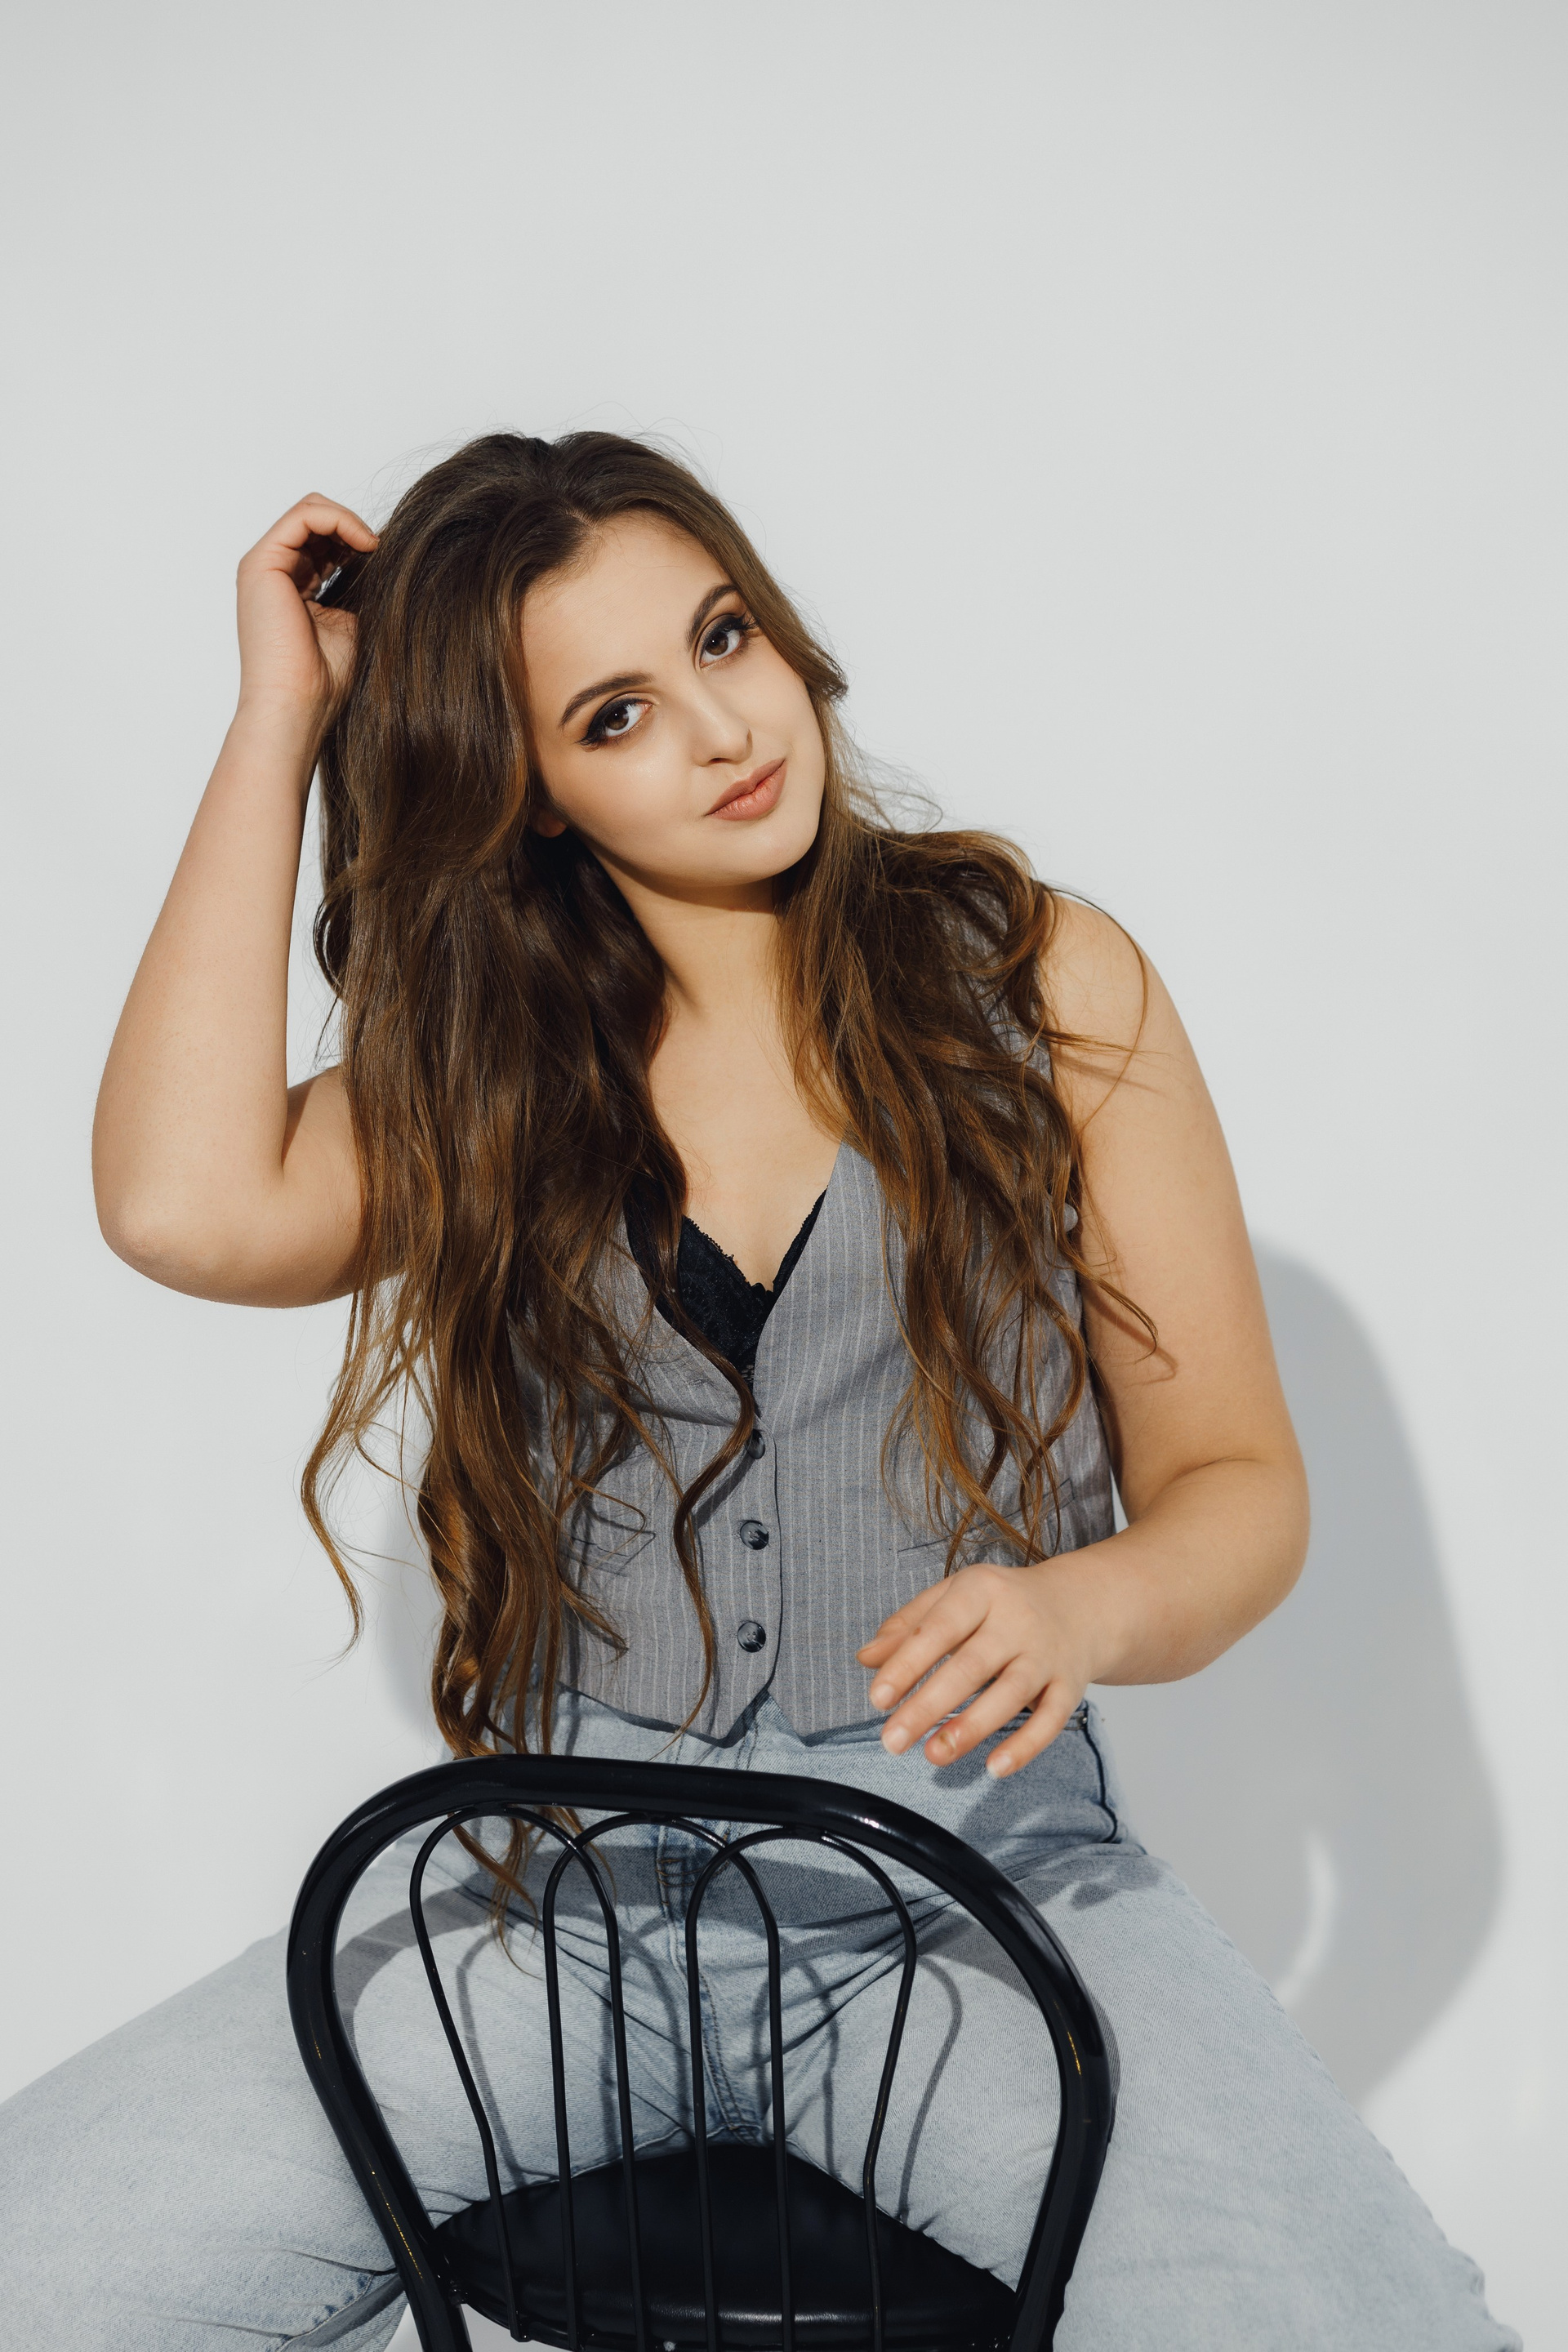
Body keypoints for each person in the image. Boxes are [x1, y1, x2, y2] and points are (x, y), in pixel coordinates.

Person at [0, 433, 1515, 2349]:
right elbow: (181, 1203)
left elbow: (1240, 1485)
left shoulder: (1042, 985)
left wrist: (1081, 1606)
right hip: (561, 1907)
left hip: (968, 1901)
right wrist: (282, 722)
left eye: (725, 636)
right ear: (530, 789)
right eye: (617, 713)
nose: (725, 728)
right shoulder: (490, 1062)